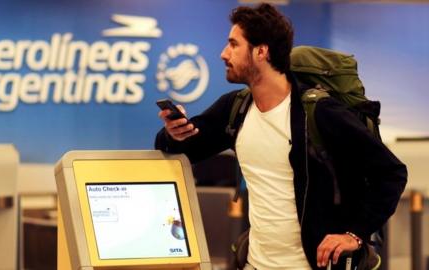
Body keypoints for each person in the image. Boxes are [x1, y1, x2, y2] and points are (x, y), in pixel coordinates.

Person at [155, 3, 407, 270]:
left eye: (233, 45)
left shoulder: (319, 112)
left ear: (261, 51)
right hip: (254, 263)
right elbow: (179, 148)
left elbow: (391, 174)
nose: (223, 54)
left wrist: (355, 234)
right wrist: (173, 133)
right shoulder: (236, 108)